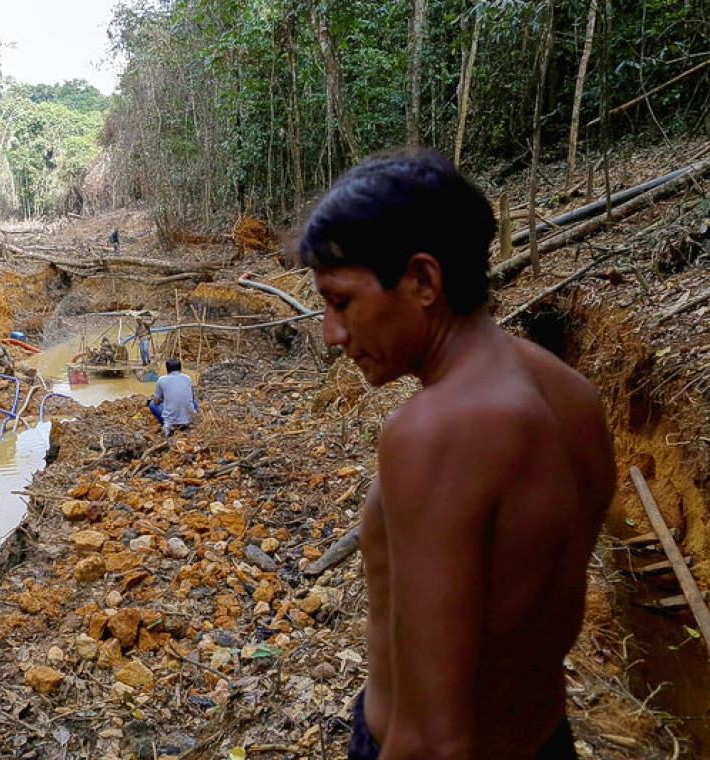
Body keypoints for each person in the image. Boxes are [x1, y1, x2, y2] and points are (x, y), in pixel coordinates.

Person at [299, 147, 615, 760]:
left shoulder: (437, 432)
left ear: (422, 280)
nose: (331, 335)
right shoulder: (573, 397)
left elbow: (433, 741)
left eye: (341, 302)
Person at [148, 357, 199, 437]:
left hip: (171, 420)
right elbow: (192, 398)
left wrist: (163, 399)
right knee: (195, 403)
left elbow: (156, 401)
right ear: (180, 369)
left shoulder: (162, 380)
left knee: (152, 404)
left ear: (167, 370)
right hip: (188, 418)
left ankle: (166, 423)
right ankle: (187, 421)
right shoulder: (188, 378)